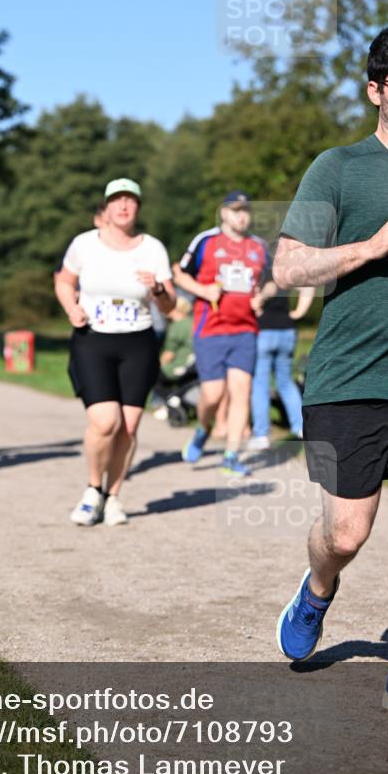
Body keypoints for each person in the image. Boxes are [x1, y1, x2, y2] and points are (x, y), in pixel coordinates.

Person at [273, 23, 388, 717]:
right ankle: (317, 589)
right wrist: (372, 244)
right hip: (351, 379)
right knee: (346, 533)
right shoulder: (339, 167)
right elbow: (287, 265)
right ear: (375, 91)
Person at [55, 177, 176, 526]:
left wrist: (156, 288)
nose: (123, 206)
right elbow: (64, 281)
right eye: (116, 200)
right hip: (93, 338)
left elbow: (170, 307)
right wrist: (70, 307)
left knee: (129, 427)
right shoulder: (84, 244)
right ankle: (93, 489)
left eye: (130, 200)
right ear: (106, 208)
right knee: (105, 421)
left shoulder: (152, 248)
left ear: (137, 207)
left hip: (137, 342)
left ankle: (113, 497)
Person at [174, 192, 273, 476]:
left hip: (245, 330)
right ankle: (203, 430)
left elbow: (273, 281)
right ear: (224, 214)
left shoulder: (258, 247)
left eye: (246, 211)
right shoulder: (206, 241)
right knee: (213, 395)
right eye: (235, 210)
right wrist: (203, 291)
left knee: (241, 390)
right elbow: (179, 273)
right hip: (211, 329)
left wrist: (261, 297)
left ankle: (231, 455)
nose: (241, 216)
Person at [247, 284, 315, 450]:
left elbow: (269, 287)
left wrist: (259, 299)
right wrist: (299, 312)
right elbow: (308, 286)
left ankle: (261, 435)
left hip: (264, 331)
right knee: (285, 383)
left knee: (260, 384)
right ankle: (301, 428)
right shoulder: (288, 270)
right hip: (287, 330)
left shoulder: (262, 268)